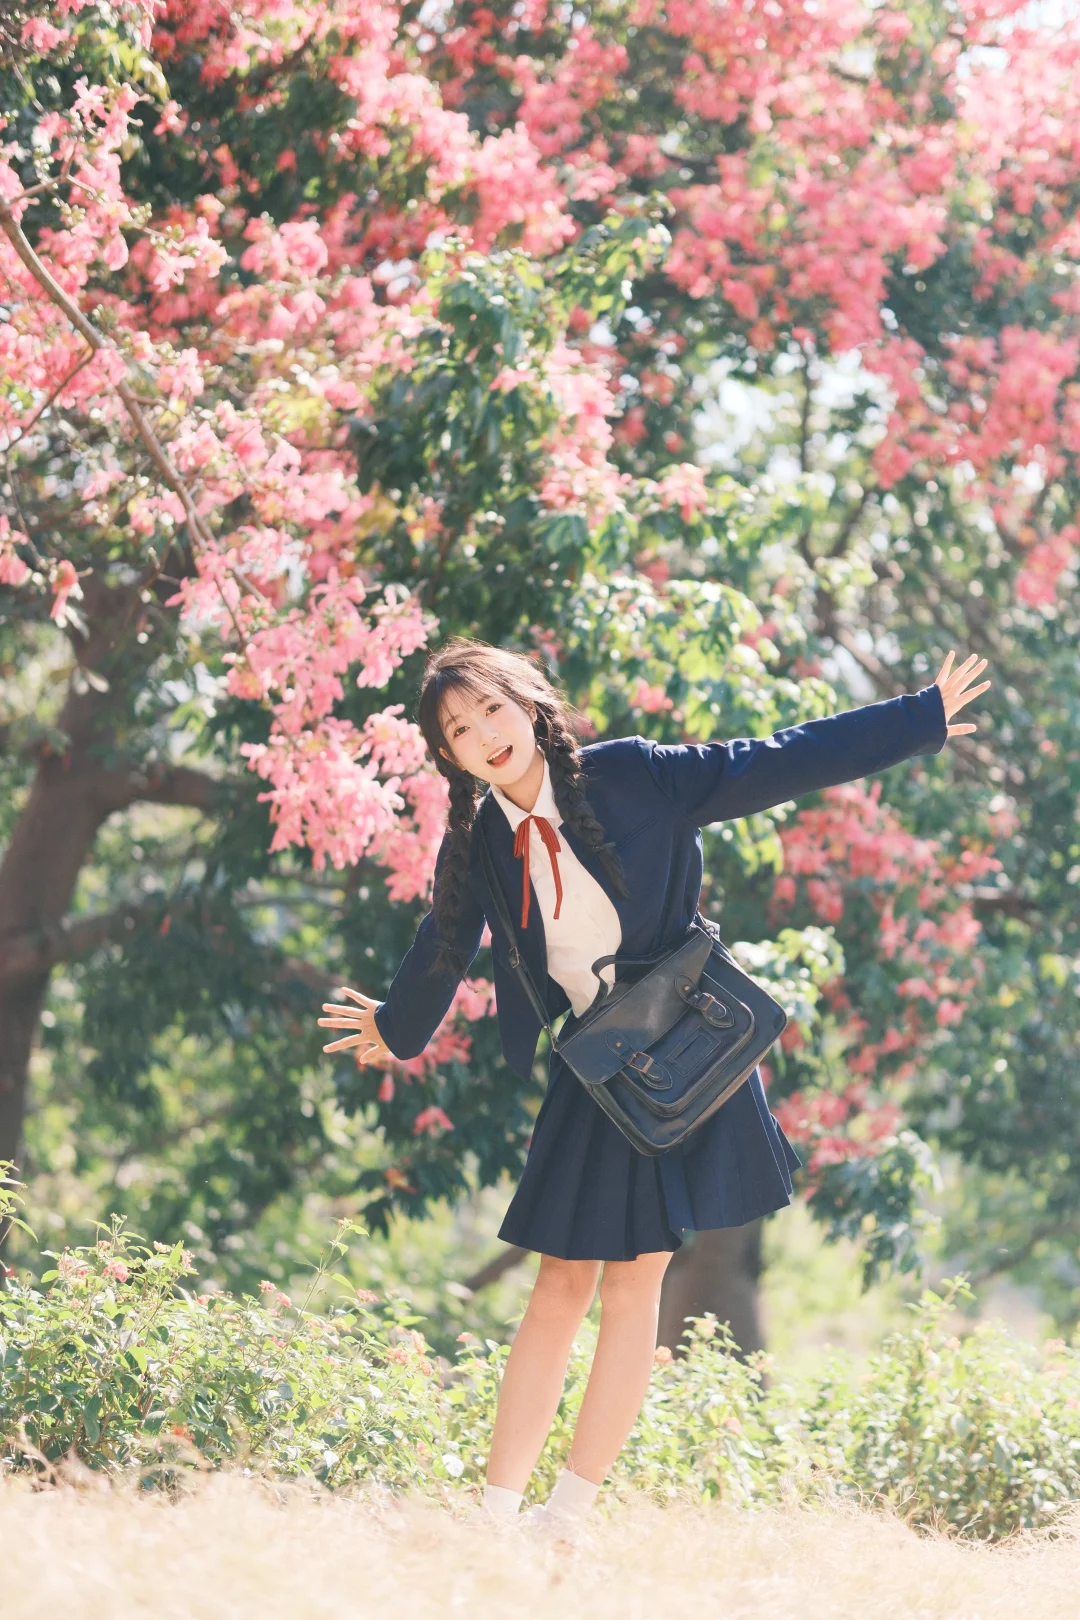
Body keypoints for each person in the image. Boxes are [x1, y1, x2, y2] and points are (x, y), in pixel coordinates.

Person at [318, 640, 989, 1532]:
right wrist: (397, 1031)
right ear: (449, 757)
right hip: (594, 1071)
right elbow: (445, 941)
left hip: (686, 1050)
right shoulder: (482, 842)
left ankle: (566, 1516)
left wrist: (919, 717)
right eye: (459, 729)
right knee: (560, 1284)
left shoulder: (636, 775)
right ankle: (493, 1518)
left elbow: (778, 759)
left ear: (528, 706)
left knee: (638, 1286)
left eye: (491, 709)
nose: (483, 733)